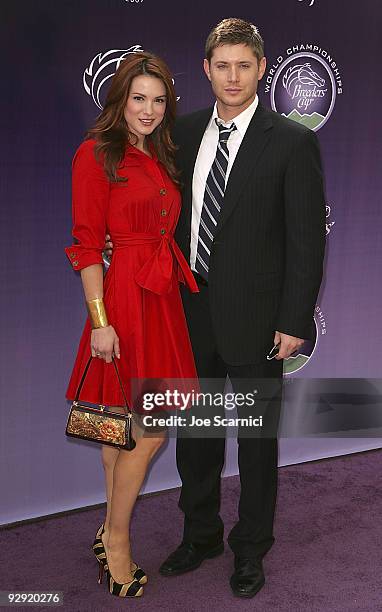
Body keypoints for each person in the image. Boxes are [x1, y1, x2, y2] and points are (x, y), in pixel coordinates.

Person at [106, 17, 326, 599]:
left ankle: (250, 549)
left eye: (244, 66)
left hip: (259, 320)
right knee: (195, 437)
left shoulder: (293, 141)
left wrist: (295, 320)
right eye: (222, 65)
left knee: (256, 444)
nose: (233, 76)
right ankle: (200, 534)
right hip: (185, 314)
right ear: (206, 70)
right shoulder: (178, 131)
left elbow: (307, 240)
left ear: (262, 70)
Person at [65, 52, 199, 598]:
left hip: (161, 299)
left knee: (125, 433)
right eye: (137, 98)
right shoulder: (96, 153)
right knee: (145, 432)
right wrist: (100, 321)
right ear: (118, 100)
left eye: (158, 99)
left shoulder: (160, 153)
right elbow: (87, 245)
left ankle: (108, 528)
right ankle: (117, 539)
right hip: (122, 302)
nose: (147, 109)